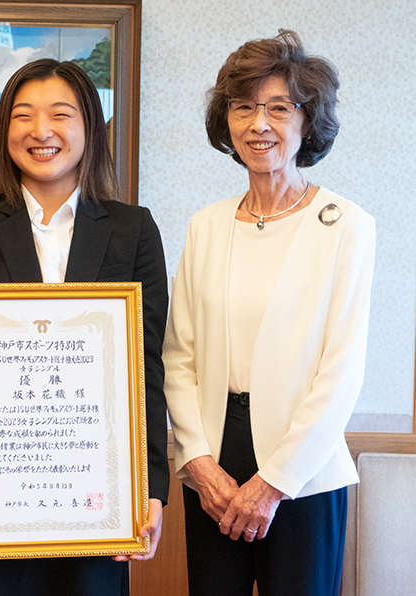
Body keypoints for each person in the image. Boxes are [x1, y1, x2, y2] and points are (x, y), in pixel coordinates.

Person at [0, 59, 170, 596]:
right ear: (4, 129)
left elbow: (146, 368)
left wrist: (150, 487)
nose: (41, 131)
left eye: (61, 114)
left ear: (89, 129)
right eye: (23, 115)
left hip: (92, 500)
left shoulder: (133, 230)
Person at [163, 30, 375, 596]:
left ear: (308, 121)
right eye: (243, 107)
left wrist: (273, 483)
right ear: (226, 123)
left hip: (303, 470)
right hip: (213, 466)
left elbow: (341, 369)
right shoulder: (205, 225)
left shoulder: (346, 225)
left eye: (279, 107)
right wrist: (198, 464)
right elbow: (178, 357)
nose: (259, 123)